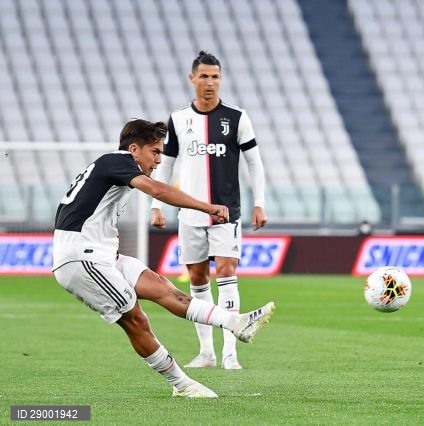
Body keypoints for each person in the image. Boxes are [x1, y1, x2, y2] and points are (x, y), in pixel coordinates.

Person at [52, 119, 275, 398]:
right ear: (134, 150)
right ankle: (182, 385)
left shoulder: (110, 166)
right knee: (135, 320)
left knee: (163, 287)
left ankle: (236, 323)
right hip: (82, 259)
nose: (158, 160)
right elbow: (157, 190)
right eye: (155, 152)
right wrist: (207, 207)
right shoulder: (117, 161)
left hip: (101, 255)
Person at [150, 51, 268, 370]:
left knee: (227, 272)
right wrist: (156, 204)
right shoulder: (178, 119)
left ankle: (230, 352)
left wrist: (259, 202)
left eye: (215, 76)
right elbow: (166, 165)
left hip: (226, 212)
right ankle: (206, 352)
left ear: (221, 79)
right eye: (204, 76)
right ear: (192, 79)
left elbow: (254, 163)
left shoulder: (237, 117)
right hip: (189, 215)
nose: (210, 82)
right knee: (197, 278)